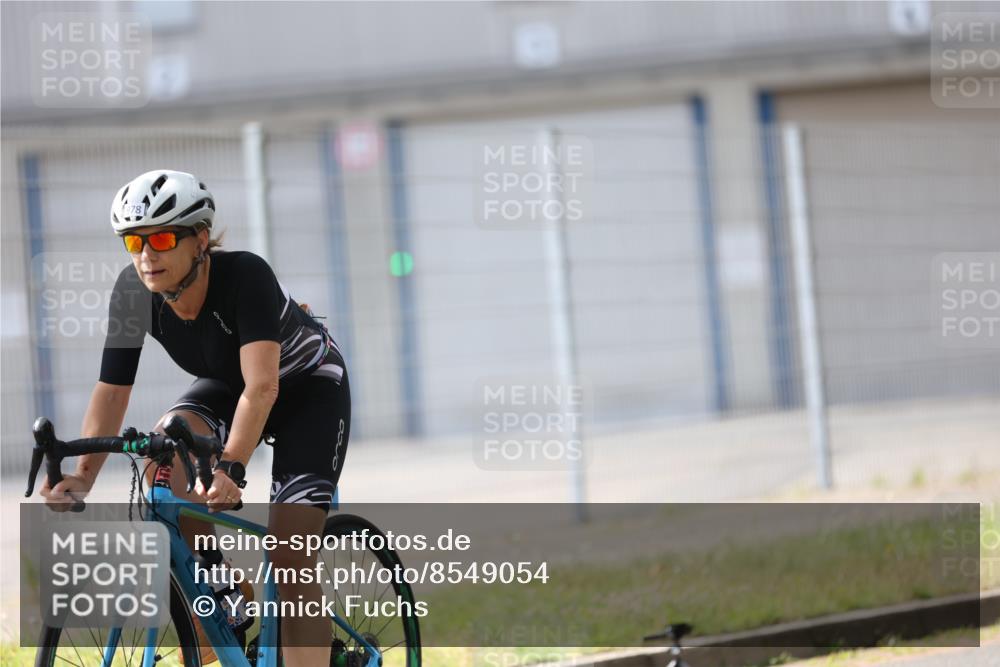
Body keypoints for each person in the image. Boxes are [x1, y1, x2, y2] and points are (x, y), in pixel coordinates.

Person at [40, 169, 349, 666]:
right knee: (163, 455)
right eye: (134, 242)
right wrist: (82, 476)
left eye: (161, 238)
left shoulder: (246, 275)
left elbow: (265, 385)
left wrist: (231, 468)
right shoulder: (132, 293)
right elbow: (113, 392)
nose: (147, 255)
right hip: (233, 387)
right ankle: (224, 597)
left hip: (306, 390)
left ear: (200, 239)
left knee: (291, 558)